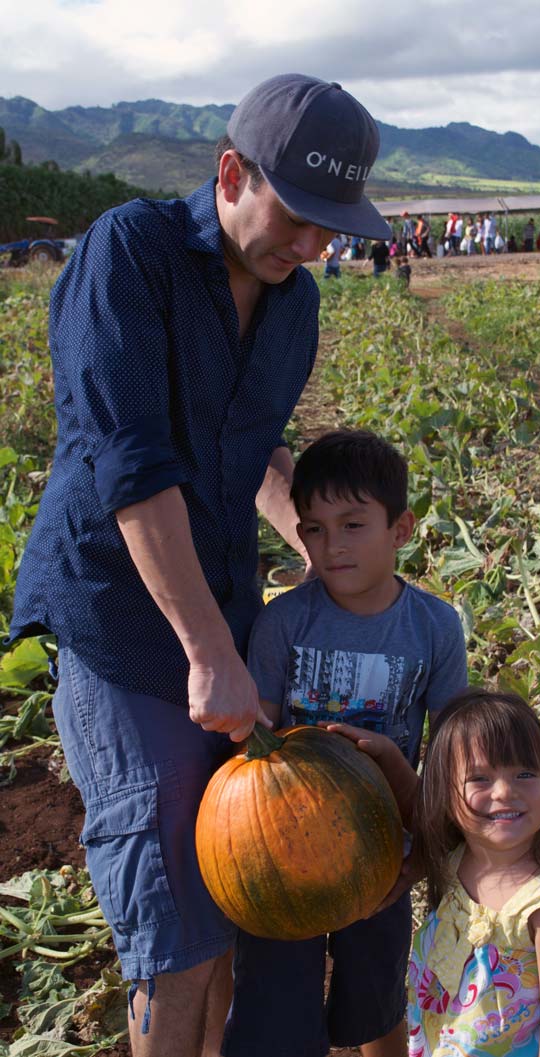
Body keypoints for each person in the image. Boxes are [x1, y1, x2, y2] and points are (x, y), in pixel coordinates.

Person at [8, 74, 391, 1057]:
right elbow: (130, 465)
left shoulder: (293, 302)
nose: (312, 247)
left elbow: (261, 451)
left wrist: (328, 563)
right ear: (230, 172)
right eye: (300, 218)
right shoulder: (127, 252)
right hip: (126, 627)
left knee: (235, 892)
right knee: (174, 931)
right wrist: (209, 649)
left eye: (331, 229)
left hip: (219, 618)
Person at [225, 429, 469, 1057]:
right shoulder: (283, 621)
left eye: (353, 524)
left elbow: (450, 751)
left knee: (375, 1001)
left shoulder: (435, 627)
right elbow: (256, 745)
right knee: (277, 1004)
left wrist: (429, 852)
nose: (331, 546)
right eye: (313, 529)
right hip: (283, 854)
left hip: (384, 848)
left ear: (402, 528)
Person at [332, 688, 540, 1057]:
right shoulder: (457, 860)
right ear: (446, 795)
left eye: (525, 774)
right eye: (480, 779)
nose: (504, 791)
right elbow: (418, 813)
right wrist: (389, 756)